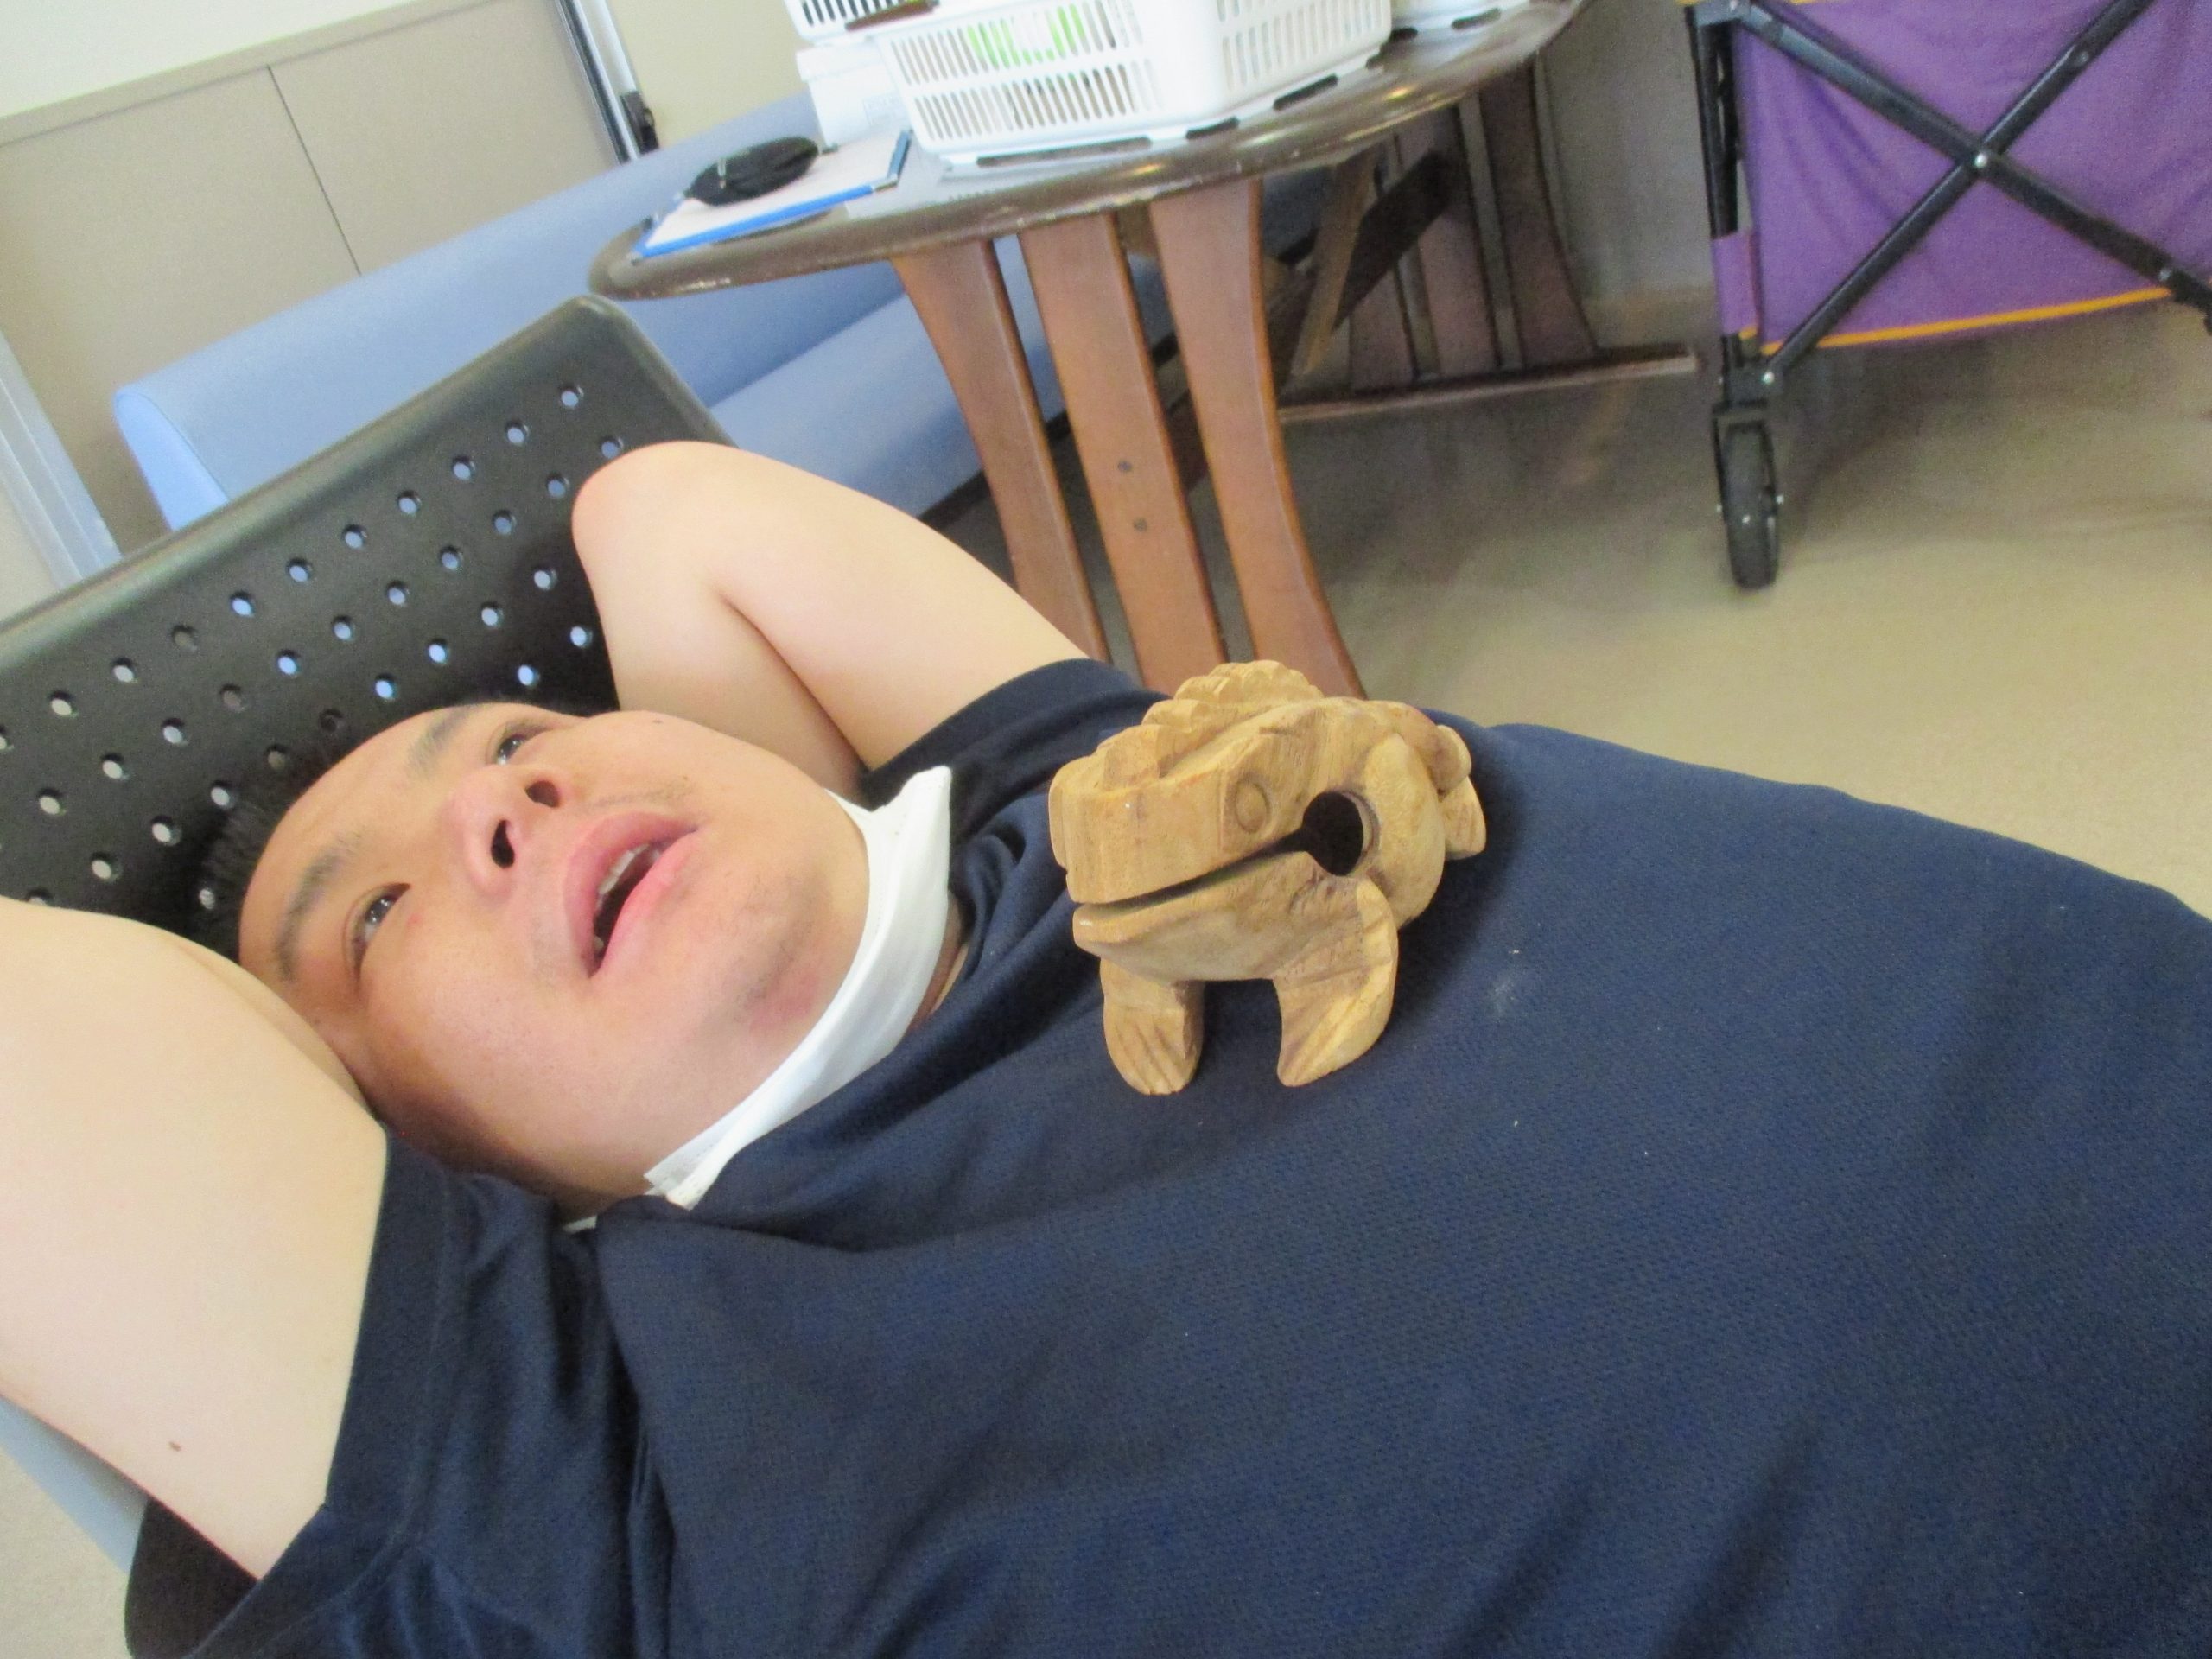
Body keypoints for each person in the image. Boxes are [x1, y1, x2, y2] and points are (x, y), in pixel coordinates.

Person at [4, 439, 2212, 1658]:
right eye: (378, 915)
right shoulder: (619, 1466)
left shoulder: (1079, 799)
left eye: (520, 741)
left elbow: (658, 511)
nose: (506, 805)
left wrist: (799, 852)